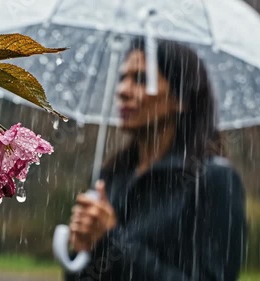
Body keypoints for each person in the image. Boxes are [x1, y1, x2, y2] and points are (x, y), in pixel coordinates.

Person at [65, 38, 247, 281]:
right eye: (122, 78)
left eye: (140, 79)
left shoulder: (212, 179)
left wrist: (109, 242)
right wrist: (82, 250)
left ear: (180, 98)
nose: (123, 91)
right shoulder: (111, 176)